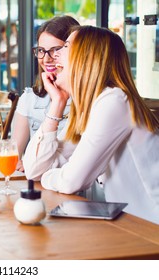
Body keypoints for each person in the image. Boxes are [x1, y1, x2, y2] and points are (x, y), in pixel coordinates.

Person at [23, 25, 159, 224]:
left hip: (150, 227)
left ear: (86, 58)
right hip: (134, 225)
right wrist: (57, 104)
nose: (54, 56)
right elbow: (34, 168)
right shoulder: (95, 105)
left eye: (66, 47)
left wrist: (47, 177)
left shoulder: (114, 102)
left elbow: (71, 181)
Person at [12, 16, 80, 172]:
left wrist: (31, 165)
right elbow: (13, 156)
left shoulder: (87, 101)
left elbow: (74, 164)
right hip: (38, 184)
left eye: (56, 50)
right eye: (41, 51)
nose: (47, 59)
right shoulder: (29, 98)